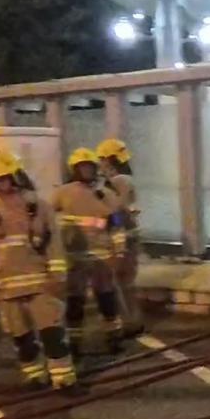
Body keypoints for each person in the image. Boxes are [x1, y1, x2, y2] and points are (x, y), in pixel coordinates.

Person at [0, 150, 78, 390]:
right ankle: (33, 375)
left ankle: (63, 378)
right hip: (7, 286)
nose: (0, 185)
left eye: (4, 178)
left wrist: (58, 276)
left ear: (16, 177)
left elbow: (54, 245)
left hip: (40, 282)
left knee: (52, 332)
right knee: (20, 336)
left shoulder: (40, 207)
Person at [52, 146, 128, 357]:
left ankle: (114, 337)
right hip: (74, 256)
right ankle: (74, 342)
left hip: (101, 256)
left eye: (89, 167)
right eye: (82, 167)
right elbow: (46, 217)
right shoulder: (62, 193)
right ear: (74, 169)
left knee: (107, 298)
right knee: (75, 300)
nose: (86, 170)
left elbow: (117, 225)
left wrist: (119, 252)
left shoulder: (107, 195)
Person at [96, 137, 144, 337]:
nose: (99, 164)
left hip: (121, 238)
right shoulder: (125, 180)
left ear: (110, 160)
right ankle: (133, 321)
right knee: (126, 282)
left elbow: (116, 210)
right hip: (128, 236)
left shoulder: (118, 181)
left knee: (118, 283)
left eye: (101, 160)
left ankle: (128, 323)